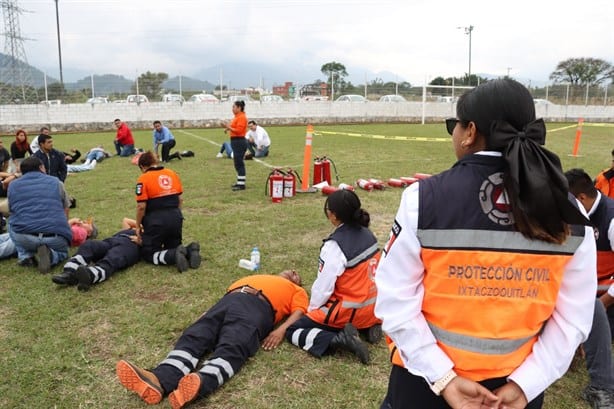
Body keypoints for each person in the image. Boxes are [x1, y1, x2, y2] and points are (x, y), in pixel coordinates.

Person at [374, 78, 597, 409]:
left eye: (455, 125)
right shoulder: (571, 211)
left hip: (425, 386)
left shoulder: (423, 200)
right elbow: (574, 319)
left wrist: (443, 376)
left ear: (469, 132)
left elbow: (395, 301)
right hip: (514, 390)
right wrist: (526, 385)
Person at [116, 270, 308, 409]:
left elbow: (299, 312)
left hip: (258, 307)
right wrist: (205, 314)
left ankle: (201, 381)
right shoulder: (257, 276)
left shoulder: (296, 290)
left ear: (298, 283)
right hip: (230, 300)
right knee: (195, 335)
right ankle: (159, 379)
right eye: (291, 270)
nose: (293, 272)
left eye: (296, 275)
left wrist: (280, 331)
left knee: (235, 343)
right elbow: (222, 299)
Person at [285, 189, 381, 364]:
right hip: (375, 308)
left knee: (293, 330)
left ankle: (340, 339)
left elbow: (324, 288)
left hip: (349, 310)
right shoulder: (369, 234)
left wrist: (312, 310)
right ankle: (367, 327)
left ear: (334, 216)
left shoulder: (334, 246)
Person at [565, 168, 614, 408]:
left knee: (592, 309)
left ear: (581, 199)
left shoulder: (612, 218)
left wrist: (602, 304)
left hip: (607, 295)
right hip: (585, 290)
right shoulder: (572, 216)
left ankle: (602, 387)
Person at [135, 151, 200, 272]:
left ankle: (173, 256)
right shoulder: (172, 173)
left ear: (143, 166)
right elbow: (180, 199)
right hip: (175, 217)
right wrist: (177, 215)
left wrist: (138, 225)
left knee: (148, 253)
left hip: (156, 221)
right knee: (174, 246)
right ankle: (190, 250)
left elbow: (141, 207)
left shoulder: (143, 178)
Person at [7, 156, 72, 274]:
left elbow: (12, 211)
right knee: (63, 253)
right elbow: (65, 209)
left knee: (11, 222)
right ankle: (52, 256)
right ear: (41, 167)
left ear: (21, 171)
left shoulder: (13, 185)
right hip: (56, 237)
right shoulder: (56, 182)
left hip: (25, 238)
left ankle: (25, 256)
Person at [52, 218, 141, 291]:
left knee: (114, 257)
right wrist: (143, 226)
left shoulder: (151, 237)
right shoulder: (131, 229)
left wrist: (145, 237)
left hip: (131, 246)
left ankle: (91, 275)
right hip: (111, 241)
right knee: (90, 245)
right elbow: (125, 220)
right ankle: (69, 272)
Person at [221, 100, 248, 191]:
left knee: (239, 162)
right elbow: (234, 127)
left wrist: (228, 127)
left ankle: (241, 184)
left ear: (239, 108)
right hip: (235, 141)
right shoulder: (237, 117)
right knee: (237, 162)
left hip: (239, 141)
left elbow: (239, 131)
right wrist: (227, 129)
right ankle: (239, 182)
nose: (232, 109)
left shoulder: (242, 117)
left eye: (234, 107)